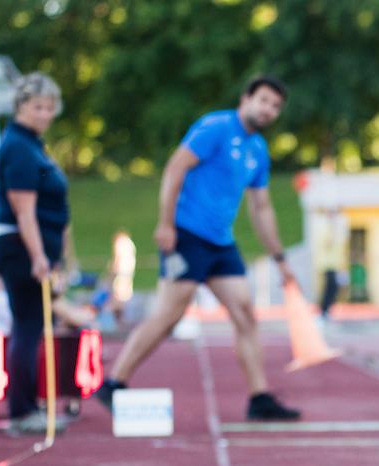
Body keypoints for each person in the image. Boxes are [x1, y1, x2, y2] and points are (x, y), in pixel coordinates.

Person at [95, 75, 300, 421]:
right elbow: (175, 168)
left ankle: (259, 397)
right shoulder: (216, 127)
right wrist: (165, 223)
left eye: (276, 106)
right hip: (187, 235)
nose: (269, 110)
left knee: (245, 313)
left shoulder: (257, 150)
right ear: (246, 98)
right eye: (264, 101)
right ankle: (114, 382)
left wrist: (279, 258)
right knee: (169, 315)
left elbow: (261, 208)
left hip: (221, 242)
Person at [0, 72, 72, 436]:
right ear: (21, 107)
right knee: (27, 325)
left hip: (31, 244)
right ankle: (22, 410)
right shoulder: (19, 148)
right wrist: (38, 256)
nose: (45, 114)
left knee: (30, 325)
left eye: (50, 107)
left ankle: (28, 406)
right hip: (20, 246)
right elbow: (23, 210)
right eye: (37, 107)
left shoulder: (32, 144)